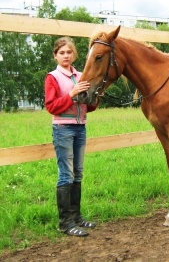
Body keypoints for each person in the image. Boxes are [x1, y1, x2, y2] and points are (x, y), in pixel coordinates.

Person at [44, 37, 99, 237]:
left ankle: (76, 217)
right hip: (63, 129)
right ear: (55, 56)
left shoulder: (81, 75)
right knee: (66, 174)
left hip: (80, 127)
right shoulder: (53, 77)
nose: (66, 56)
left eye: (69, 52)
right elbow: (51, 106)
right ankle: (65, 222)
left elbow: (89, 107)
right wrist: (72, 93)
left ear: (74, 54)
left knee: (78, 172)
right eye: (62, 53)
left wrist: (95, 95)